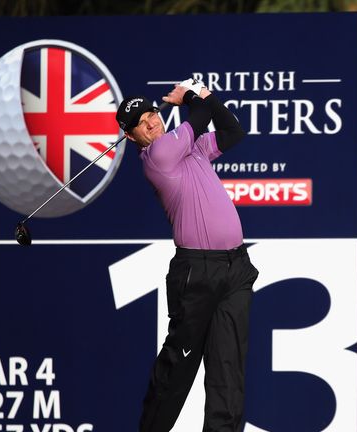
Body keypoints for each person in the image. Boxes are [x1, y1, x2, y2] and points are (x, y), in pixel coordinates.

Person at [116, 81, 258, 432]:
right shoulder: (157, 156)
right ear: (132, 137)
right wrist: (192, 97)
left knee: (228, 370)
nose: (151, 122)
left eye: (151, 114)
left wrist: (206, 97)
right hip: (197, 271)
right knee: (178, 367)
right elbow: (201, 115)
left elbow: (233, 130)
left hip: (236, 268)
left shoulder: (192, 149)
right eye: (141, 123)